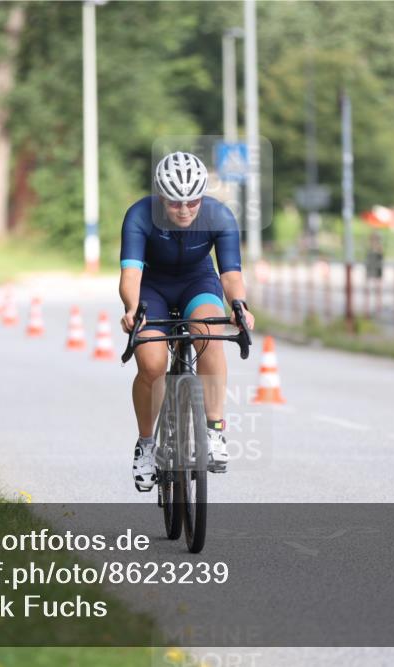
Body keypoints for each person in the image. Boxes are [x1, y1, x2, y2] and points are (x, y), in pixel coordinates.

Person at [119, 151, 255, 491]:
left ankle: (214, 430)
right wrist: (132, 307)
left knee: (208, 333)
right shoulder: (139, 215)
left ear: (202, 197)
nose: (184, 210)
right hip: (153, 288)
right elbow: (130, 274)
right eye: (175, 203)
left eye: (191, 202)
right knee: (151, 364)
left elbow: (231, 275)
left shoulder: (219, 216)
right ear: (161, 197)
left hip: (198, 282)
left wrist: (240, 305)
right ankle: (147, 446)